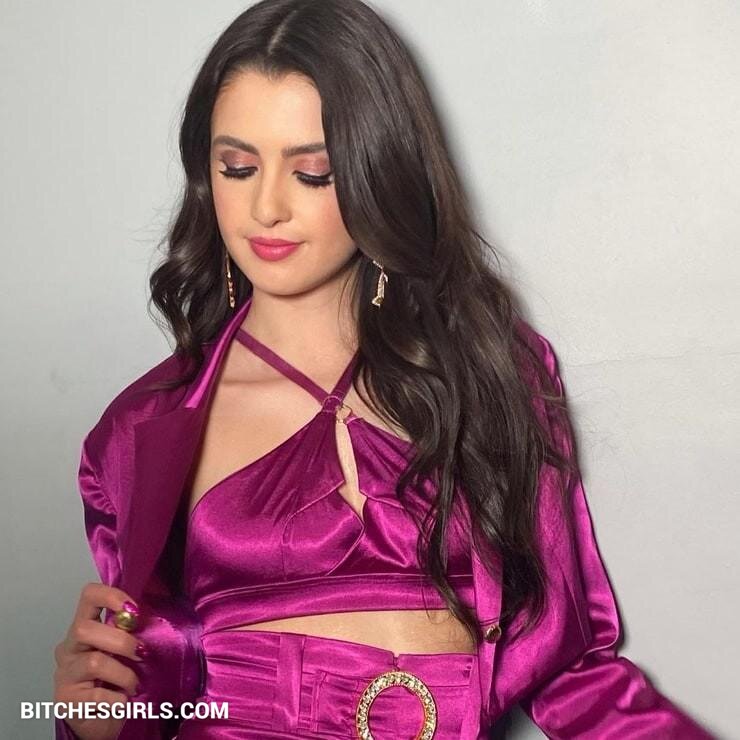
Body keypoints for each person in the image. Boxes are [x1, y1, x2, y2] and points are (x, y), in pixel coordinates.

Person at [52, 1, 715, 738]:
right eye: (237, 167)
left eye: (313, 172)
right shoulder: (141, 432)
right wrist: (91, 723)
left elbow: (569, 667)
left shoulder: (493, 371)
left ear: (379, 171)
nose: (266, 207)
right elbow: (150, 691)